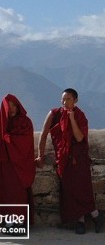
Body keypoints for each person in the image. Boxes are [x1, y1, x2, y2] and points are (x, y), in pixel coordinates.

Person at [36, 88, 105, 234]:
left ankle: (87, 219)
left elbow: (79, 138)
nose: (64, 102)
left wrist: (72, 119)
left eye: (68, 99)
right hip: (63, 158)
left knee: (82, 189)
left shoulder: (80, 116)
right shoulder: (54, 114)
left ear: (75, 100)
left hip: (79, 159)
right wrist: (40, 155)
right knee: (70, 190)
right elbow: (42, 135)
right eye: (63, 99)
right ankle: (89, 217)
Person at [0, 94, 35, 231]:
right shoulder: (2, 123)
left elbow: (25, 142)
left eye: (14, 105)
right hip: (5, 166)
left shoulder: (25, 122)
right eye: (9, 106)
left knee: (17, 194)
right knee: (5, 194)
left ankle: (19, 223)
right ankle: (6, 222)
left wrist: (7, 139)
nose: (12, 108)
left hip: (20, 165)